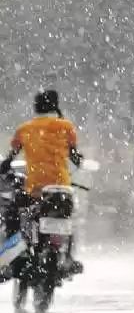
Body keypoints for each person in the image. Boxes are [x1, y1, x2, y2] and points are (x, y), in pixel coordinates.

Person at [0, 90, 84, 272]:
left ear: (36, 107)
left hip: (36, 189)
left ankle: (16, 256)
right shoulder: (67, 127)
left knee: (14, 212)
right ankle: (68, 256)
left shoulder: (24, 129)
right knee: (69, 218)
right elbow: (75, 158)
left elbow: (9, 159)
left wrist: (5, 166)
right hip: (61, 188)